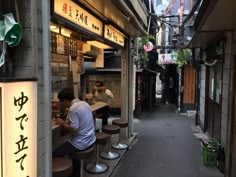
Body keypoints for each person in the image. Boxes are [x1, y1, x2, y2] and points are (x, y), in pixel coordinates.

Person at [53, 88, 96, 176]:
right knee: (70, 151)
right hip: (91, 139)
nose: (61, 104)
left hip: (81, 143)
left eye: (61, 102)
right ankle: (75, 173)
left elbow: (74, 128)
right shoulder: (84, 103)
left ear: (64, 100)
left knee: (54, 154)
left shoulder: (73, 109)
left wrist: (62, 122)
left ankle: (68, 173)